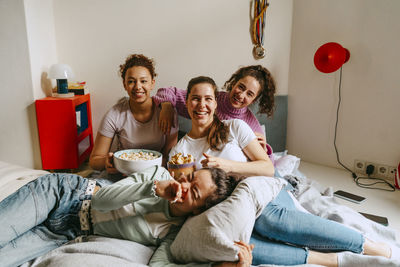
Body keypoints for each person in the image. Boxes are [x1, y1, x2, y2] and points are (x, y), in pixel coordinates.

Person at [152, 76, 392, 267]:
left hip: (259, 185)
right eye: (195, 99)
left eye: (207, 99)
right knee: (237, 245)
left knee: (266, 220)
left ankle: (367, 245)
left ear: (215, 102)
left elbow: (266, 167)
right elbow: (182, 199)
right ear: (187, 102)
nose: (201, 105)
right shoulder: (179, 153)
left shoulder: (234, 127)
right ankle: (331, 260)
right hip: (227, 204)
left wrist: (228, 167)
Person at [0, 166, 253, 267]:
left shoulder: (171, 232)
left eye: (193, 192)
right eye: (190, 177)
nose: (183, 184)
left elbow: (159, 266)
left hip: (65, 230)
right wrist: (153, 188)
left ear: (198, 211)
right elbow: (101, 200)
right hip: (63, 193)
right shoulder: (159, 174)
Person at [89, 54, 178, 177]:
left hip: (156, 173)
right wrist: (108, 162)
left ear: (152, 83)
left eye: (143, 81)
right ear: (124, 84)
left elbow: (170, 155)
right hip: (123, 172)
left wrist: (146, 169)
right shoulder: (114, 114)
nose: (137, 87)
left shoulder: (166, 112)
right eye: (131, 81)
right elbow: (94, 160)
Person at [153, 65, 275, 155]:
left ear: (253, 100)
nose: (241, 95)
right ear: (234, 83)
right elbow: (166, 91)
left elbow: (267, 167)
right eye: (241, 87)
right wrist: (167, 105)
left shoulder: (251, 125)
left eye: (249, 94)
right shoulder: (207, 100)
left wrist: (265, 151)